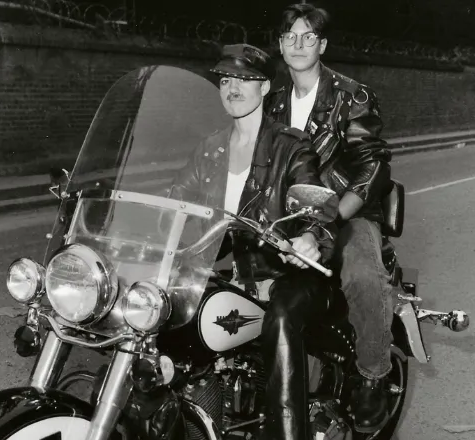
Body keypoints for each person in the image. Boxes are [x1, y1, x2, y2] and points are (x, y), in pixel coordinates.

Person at [170, 43, 337, 440]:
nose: (232, 88)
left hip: (291, 274)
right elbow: (177, 198)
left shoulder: (291, 145)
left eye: (244, 80)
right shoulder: (209, 149)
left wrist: (310, 236)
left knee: (280, 319)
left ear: (265, 88)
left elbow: (317, 205)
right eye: (226, 79)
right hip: (239, 272)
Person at [265, 3, 396, 433]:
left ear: (322, 44)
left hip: (348, 212)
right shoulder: (272, 98)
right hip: (290, 218)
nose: (298, 45)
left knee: (361, 272)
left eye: (308, 37)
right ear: (280, 44)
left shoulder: (351, 95)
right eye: (290, 37)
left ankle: (373, 375)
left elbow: (373, 167)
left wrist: (337, 210)